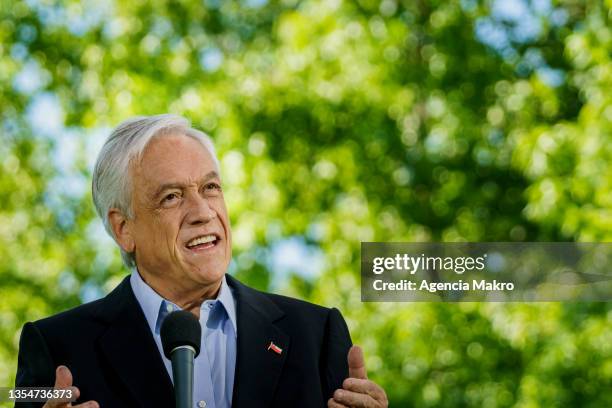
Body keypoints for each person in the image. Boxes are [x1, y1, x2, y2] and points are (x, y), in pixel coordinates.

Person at [15, 114, 388, 408]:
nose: (203, 212)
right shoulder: (55, 346)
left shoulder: (317, 334)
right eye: (172, 197)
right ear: (123, 228)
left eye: (210, 188)